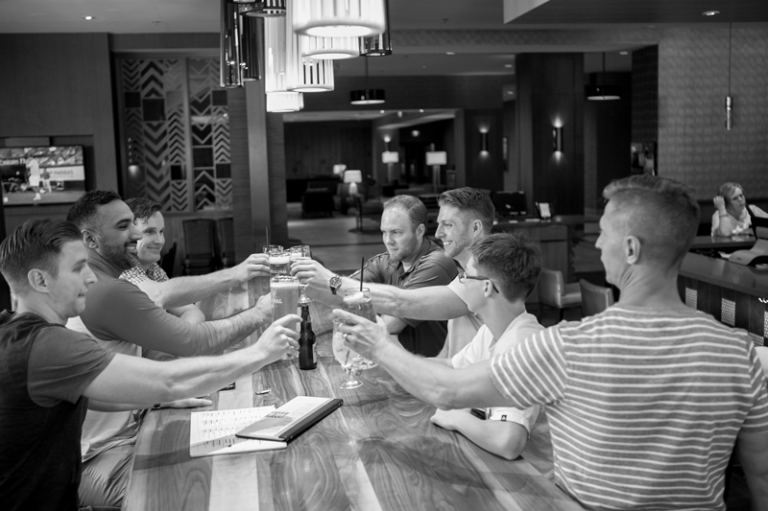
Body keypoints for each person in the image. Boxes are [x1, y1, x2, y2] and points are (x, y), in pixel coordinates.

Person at [336, 175, 768, 511]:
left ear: (631, 249)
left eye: (604, 234)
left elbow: (445, 390)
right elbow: (762, 480)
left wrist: (378, 345)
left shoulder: (570, 346)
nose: (597, 244)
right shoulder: (740, 354)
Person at [0, 218, 299, 511]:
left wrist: (152, 400)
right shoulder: (47, 345)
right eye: (78, 268)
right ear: (40, 280)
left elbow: (85, 396)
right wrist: (259, 352)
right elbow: (168, 380)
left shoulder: (14, 332)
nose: (91, 277)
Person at [64, 190, 273, 508]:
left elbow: (176, 342)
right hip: (95, 457)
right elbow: (192, 340)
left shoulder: (108, 282)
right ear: (89, 240)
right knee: (200, 488)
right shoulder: (105, 290)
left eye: (135, 225)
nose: (137, 234)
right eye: (124, 227)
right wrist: (259, 315)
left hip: (128, 430)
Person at [293, 187, 494, 357]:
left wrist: (330, 280)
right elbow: (450, 362)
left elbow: (399, 304)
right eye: (384, 232)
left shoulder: (478, 277)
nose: (439, 233)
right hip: (443, 378)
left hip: (480, 395)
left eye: (448, 225)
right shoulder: (466, 277)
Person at [429, 233, 543, 459]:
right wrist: (391, 363)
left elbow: (509, 441)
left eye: (466, 276)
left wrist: (456, 418)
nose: (461, 282)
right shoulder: (491, 331)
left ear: (487, 287)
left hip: (538, 481)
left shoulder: (522, 345)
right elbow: (452, 368)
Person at [119, 197, 204, 323]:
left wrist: (178, 337)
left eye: (161, 231)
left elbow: (193, 312)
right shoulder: (122, 268)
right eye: (149, 232)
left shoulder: (153, 268)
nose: (160, 240)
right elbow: (160, 295)